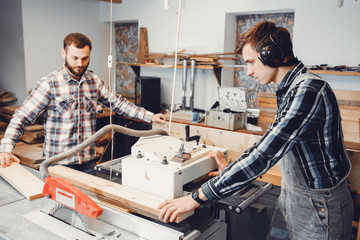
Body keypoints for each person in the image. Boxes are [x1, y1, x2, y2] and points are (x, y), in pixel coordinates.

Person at [158, 21, 353, 239]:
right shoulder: (290, 89)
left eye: (251, 62)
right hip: (292, 196)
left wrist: (196, 197)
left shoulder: (309, 91)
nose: (249, 72)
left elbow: (265, 154)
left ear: (272, 56)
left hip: (319, 205)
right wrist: (232, 169)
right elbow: (267, 145)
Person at [0, 32, 166, 170]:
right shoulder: (49, 84)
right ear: (63, 53)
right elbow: (21, 117)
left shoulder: (93, 81)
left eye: (85, 58)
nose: (80, 64)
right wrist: (6, 149)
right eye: (74, 58)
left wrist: (149, 116)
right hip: (58, 165)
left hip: (88, 163)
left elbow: (118, 103)